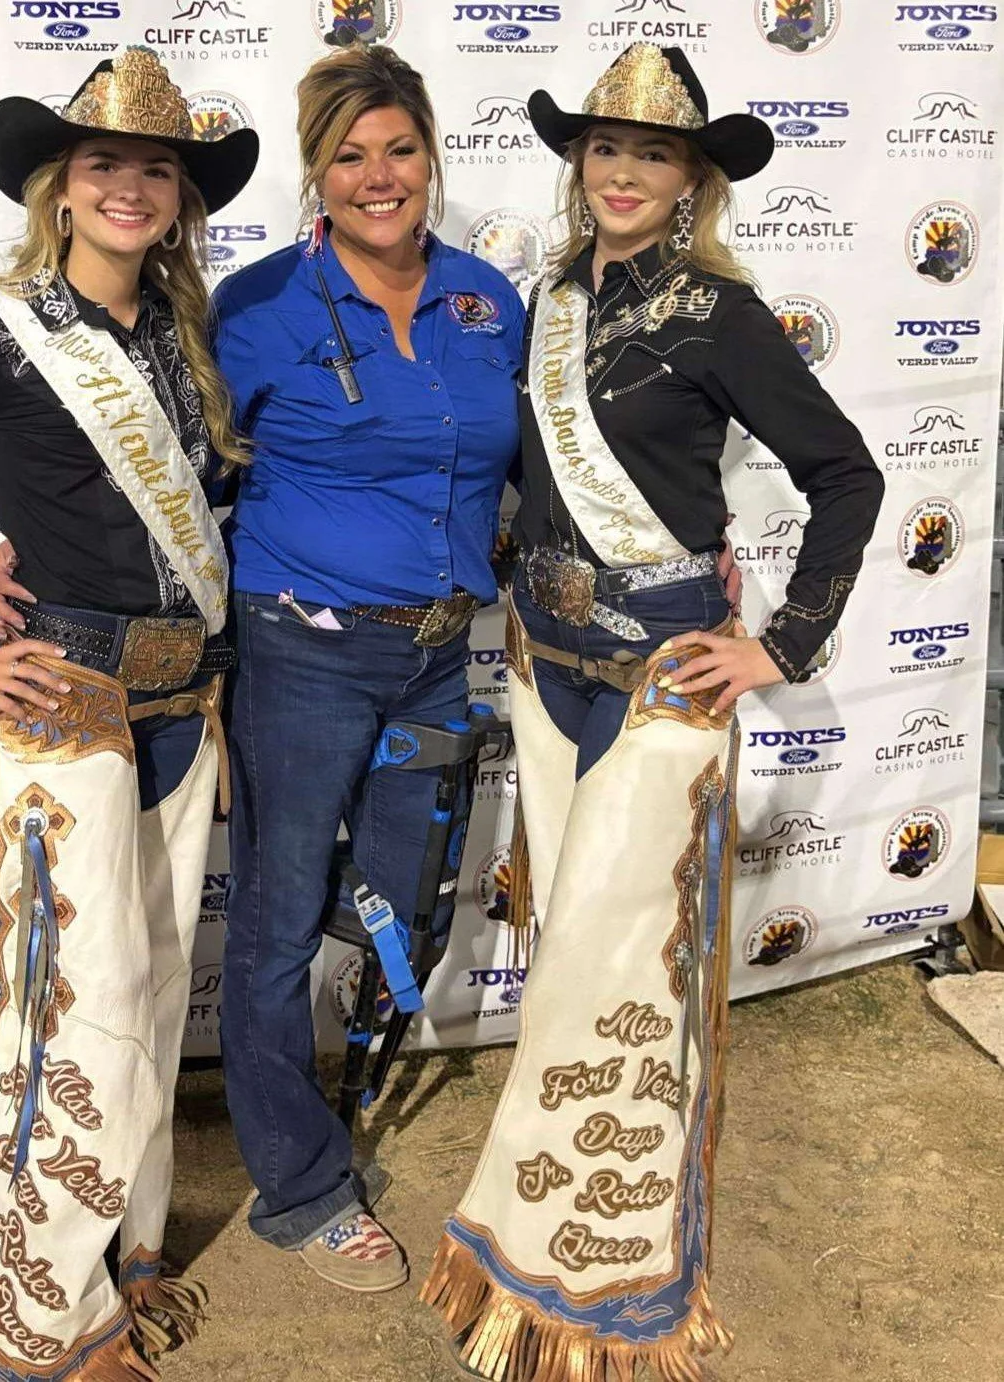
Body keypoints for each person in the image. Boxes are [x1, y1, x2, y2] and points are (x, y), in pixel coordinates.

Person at [0, 43, 527, 1294]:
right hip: (299, 656)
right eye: (348, 155)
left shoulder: (487, 299)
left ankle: (330, 1092)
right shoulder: (257, 305)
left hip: (438, 662)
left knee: (397, 908)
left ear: (430, 155)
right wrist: (29, 553)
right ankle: (301, 1184)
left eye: (398, 148)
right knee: (275, 923)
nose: (377, 176)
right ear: (314, 174)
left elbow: (532, 463)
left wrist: (697, 540)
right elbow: (164, 461)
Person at [421, 44, 884, 1380]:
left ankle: (593, 1257)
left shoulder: (720, 314)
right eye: (605, 148)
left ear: (691, 180)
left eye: (654, 155)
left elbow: (845, 477)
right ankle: (542, 1211)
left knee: (614, 956)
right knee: (576, 941)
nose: (622, 173)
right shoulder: (548, 297)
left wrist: (778, 642)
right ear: (580, 163)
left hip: (660, 675)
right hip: (544, 664)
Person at [0, 47, 258, 1381]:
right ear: (61, 187)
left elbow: (189, 512)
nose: (131, 188)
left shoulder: (185, 333)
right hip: (64, 699)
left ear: (178, 198)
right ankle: (37, 1316)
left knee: (151, 989)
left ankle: (124, 1252)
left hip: (184, 699)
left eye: (157, 170)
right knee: (69, 1008)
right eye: (104, 165)